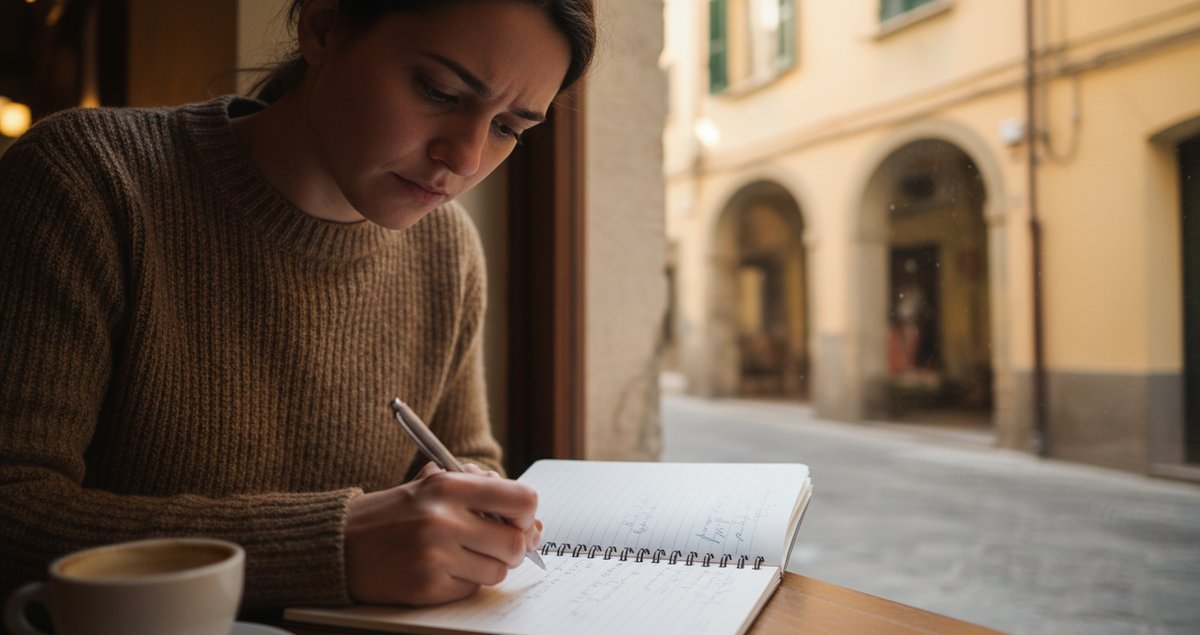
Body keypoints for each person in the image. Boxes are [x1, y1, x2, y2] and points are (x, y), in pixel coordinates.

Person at [0, 0, 595, 612]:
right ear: (324, 27)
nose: (466, 159)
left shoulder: (446, 250)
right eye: (439, 91)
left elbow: (461, 456)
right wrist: (332, 546)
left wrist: (474, 505)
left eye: (508, 129)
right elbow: (13, 508)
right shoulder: (91, 181)